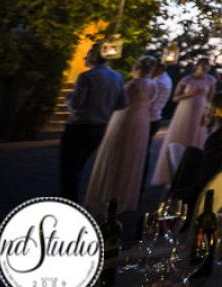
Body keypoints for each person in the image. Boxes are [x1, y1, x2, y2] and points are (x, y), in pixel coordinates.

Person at [85, 58, 154, 214]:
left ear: (136, 68)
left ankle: (107, 193)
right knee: (132, 155)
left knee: (116, 152)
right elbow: (151, 102)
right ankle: (125, 197)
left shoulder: (133, 84)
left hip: (125, 117)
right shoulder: (153, 85)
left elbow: (122, 102)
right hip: (143, 119)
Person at [59, 44, 128, 200]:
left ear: (93, 56)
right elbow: (123, 103)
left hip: (78, 127)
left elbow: (76, 104)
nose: (85, 58)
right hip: (100, 128)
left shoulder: (86, 76)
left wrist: (68, 98)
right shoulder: (117, 77)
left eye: (88, 54)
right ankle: (72, 200)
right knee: (79, 166)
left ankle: (68, 201)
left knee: (68, 169)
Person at [150, 59, 215, 186]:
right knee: (180, 139)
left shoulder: (210, 80)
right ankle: (172, 172)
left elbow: (211, 100)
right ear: (197, 66)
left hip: (200, 113)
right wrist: (189, 94)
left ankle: (191, 175)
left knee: (196, 141)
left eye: (207, 68)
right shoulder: (187, 79)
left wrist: (207, 115)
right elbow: (175, 98)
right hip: (184, 113)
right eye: (203, 67)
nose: (205, 70)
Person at [144, 58, 174, 189]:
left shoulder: (159, 82)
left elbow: (152, 104)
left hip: (150, 118)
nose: (151, 71)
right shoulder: (163, 79)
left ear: (159, 68)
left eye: (153, 68)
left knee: (143, 152)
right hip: (154, 117)